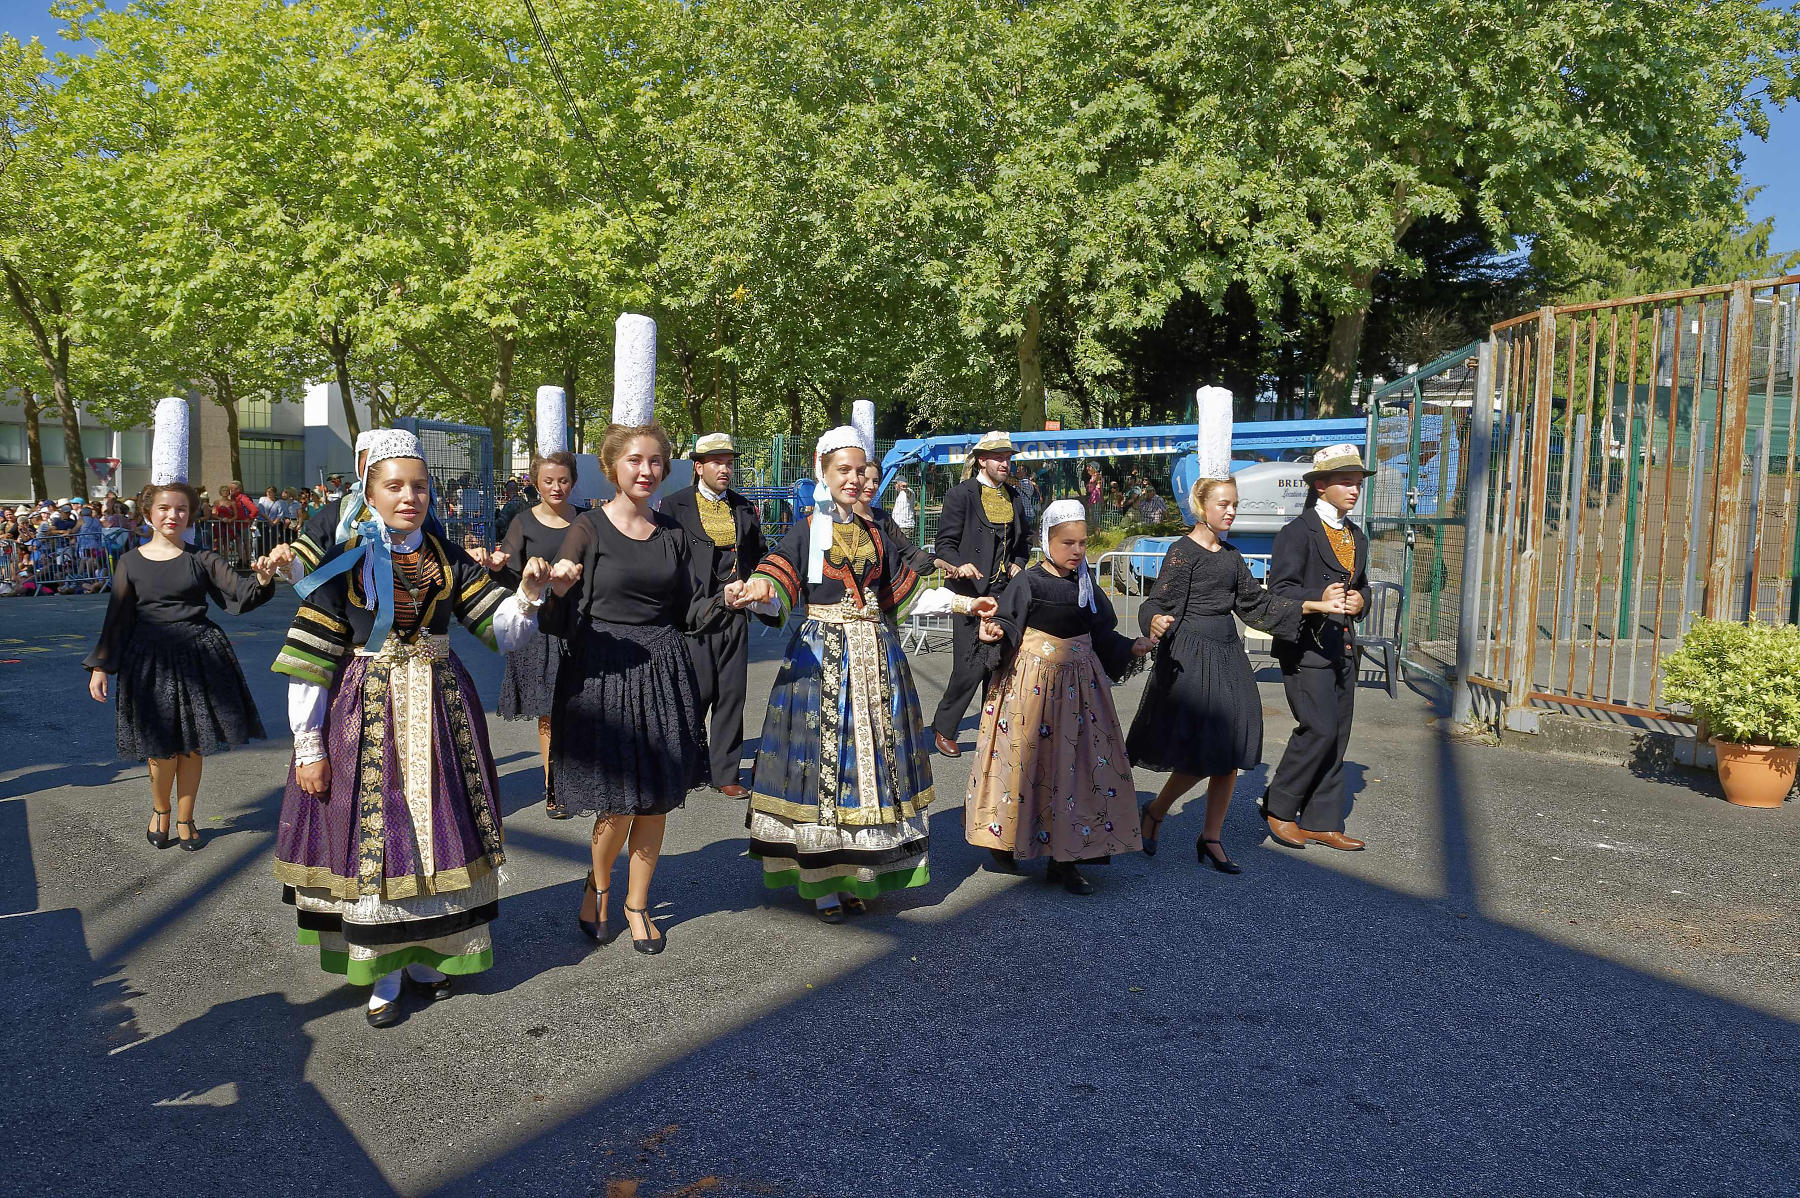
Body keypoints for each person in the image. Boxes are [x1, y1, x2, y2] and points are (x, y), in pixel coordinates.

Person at [272, 429, 551, 1028]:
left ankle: (429, 953)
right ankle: (385, 971)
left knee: (437, 828)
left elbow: (500, 631)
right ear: (368, 492)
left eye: (419, 486)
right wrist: (309, 744)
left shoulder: (445, 556)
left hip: (439, 705)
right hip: (365, 709)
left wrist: (526, 593)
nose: (410, 497)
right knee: (379, 832)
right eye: (394, 486)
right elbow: (311, 656)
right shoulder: (345, 566)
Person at [725, 428, 995, 922]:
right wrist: (758, 590)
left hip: (877, 654)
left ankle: (857, 873)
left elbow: (904, 597)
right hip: (823, 657)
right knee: (825, 767)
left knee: (871, 766)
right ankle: (823, 883)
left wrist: (965, 603)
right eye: (841, 470)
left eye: (857, 470)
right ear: (821, 472)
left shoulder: (876, 532)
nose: (852, 479)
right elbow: (777, 576)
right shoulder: (808, 528)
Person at [542, 421, 710, 955]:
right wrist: (558, 592)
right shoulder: (588, 529)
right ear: (613, 467)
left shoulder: (675, 538)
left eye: (656, 461)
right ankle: (601, 886)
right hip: (603, 671)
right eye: (635, 460)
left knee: (654, 800)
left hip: (662, 671)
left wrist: (734, 599)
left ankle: (638, 904)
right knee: (616, 803)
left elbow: (691, 612)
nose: (647, 470)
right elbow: (556, 618)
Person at [83, 399, 278, 852]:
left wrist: (264, 576)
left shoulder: (203, 559)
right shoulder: (129, 562)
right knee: (159, 747)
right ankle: (161, 811)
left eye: (182, 509)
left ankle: (187, 818)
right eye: (165, 508)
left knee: (192, 746)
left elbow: (240, 596)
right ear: (149, 514)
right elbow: (117, 619)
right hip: (146, 661)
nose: (173, 515)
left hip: (199, 656)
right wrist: (100, 667)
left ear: (190, 514)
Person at [1127, 476, 1343, 872]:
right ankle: (1156, 811)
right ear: (1201, 506)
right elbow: (1156, 601)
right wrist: (1153, 619)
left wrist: (1314, 605)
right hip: (1190, 656)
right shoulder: (1182, 552)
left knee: (1231, 752)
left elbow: (1257, 604)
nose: (1230, 510)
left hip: (1228, 655)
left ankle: (1211, 838)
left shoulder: (1231, 556)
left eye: (1234, 504)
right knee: (1199, 755)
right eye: (1223, 503)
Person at [965, 501, 1157, 894]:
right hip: (1032, 690)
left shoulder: (1087, 585)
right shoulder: (1029, 582)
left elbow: (1102, 634)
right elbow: (1005, 620)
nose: (1077, 551)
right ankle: (1007, 840)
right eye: (1068, 542)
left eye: (1083, 543)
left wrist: (1128, 647)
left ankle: (1067, 859)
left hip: (1081, 691)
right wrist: (995, 632)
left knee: (1078, 770)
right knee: (1024, 766)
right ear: (1046, 540)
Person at [1262, 444, 1373, 852]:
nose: (1354, 490)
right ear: (1321, 486)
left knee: (1338, 734)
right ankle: (1279, 807)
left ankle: (1322, 820)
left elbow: (1361, 586)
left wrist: (1362, 601)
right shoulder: (1296, 533)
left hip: (1342, 646)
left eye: (1358, 483)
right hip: (1305, 647)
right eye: (1345, 482)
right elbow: (1279, 592)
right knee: (1319, 728)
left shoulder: (1356, 536)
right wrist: (1317, 594)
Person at [477, 448, 584, 817]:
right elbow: (510, 576)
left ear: (574, 481)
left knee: (583, 707)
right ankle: (553, 784)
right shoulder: (523, 522)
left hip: (582, 625)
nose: (557, 487)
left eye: (564, 480)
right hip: (540, 628)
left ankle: (581, 778)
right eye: (548, 481)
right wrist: (495, 566)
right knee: (549, 711)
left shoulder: (588, 520)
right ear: (536, 483)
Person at [657, 433, 766, 797]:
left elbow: (759, 557)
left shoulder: (743, 507)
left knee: (732, 694)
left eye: (729, 462)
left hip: (735, 612)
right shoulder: (673, 506)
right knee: (694, 693)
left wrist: (753, 586)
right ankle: (686, 766)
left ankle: (726, 773)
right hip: (694, 613)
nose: (725, 468)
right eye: (717, 462)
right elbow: (666, 561)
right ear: (698, 467)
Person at [928, 431, 1029, 757]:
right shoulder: (962, 495)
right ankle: (944, 727)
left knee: (999, 663)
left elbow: (1022, 545)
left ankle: (993, 726)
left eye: (1008, 457)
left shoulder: (1013, 496)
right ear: (982, 460)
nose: (1005, 463)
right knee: (970, 665)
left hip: (1005, 591)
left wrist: (1016, 564)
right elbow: (945, 543)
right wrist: (960, 565)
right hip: (970, 593)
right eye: (999, 457)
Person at [853, 461, 932, 575]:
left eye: (875, 481)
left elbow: (907, 551)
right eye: (865, 480)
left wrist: (936, 561)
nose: (871, 486)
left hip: (904, 524)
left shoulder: (883, 517)